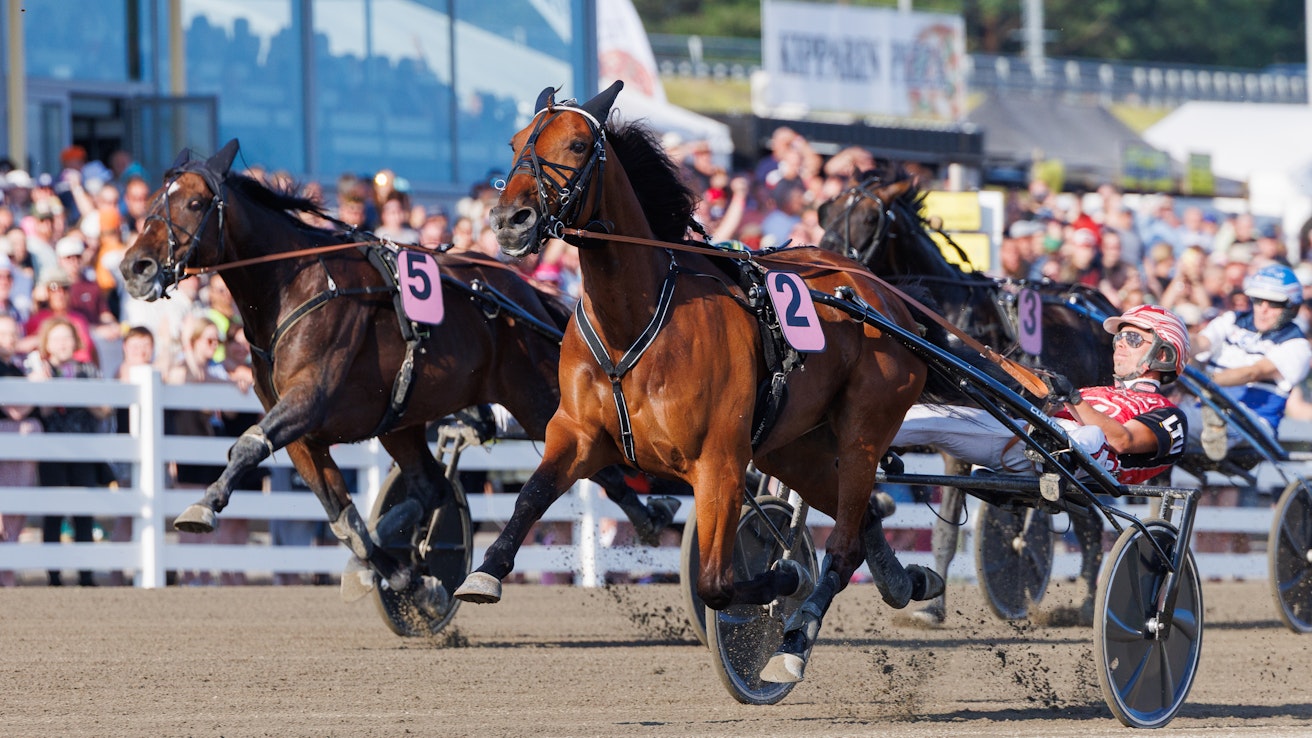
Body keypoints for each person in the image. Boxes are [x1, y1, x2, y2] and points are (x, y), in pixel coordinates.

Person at [893, 304, 1190, 484]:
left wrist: (1073, 399)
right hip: (1025, 440)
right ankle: (866, 444)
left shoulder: (1169, 414)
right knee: (927, 415)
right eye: (1119, 337)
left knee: (1091, 435)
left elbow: (1123, 441)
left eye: (1133, 338)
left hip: (1084, 461)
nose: (1120, 344)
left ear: (1163, 354)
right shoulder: (1093, 392)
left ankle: (1054, 460)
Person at [1188, 263, 1312, 460]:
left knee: (1176, 424)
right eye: (1258, 300)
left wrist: (1204, 381)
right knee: (1161, 418)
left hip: (1255, 422)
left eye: (1273, 304)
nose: (1263, 309)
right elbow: (1199, 343)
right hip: (1206, 408)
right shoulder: (1231, 320)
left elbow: (1254, 372)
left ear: (1292, 307)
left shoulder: (1297, 345)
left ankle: (1217, 427)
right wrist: (1174, 341)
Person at [27, 316, 113, 586]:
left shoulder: (87, 370)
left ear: (75, 341)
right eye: (57, 338)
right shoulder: (41, 370)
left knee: (84, 513)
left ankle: (86, 575)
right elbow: (43, 411)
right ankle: (54, 576)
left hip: (84, 450)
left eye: (66, 338)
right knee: (53, 513)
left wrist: (81, 394)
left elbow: (105, 410)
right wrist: (48, 386)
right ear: (47, 343)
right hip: (52, 451)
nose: (62, 344)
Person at [0, 314, 40, 586]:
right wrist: (36, 386)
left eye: (14, 334)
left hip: (19, 452)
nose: (10, 339)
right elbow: (15, 410)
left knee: (15, 513)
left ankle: (7, 575)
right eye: (4, 334)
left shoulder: (14, 367)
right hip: (7, 447)